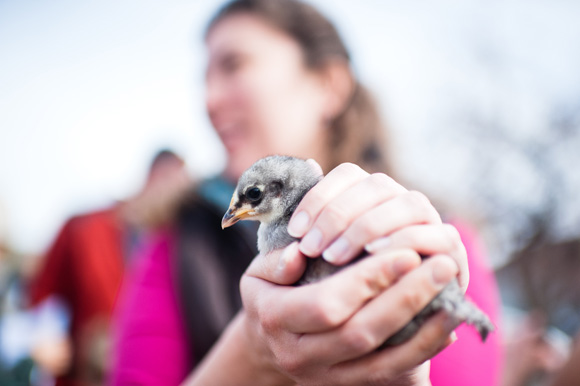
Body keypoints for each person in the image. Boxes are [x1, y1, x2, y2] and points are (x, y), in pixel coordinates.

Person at [111, 1, 502, 385]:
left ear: (328, 85)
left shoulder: (435, 234)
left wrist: (400, 370)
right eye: (206, 78)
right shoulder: (180, 241)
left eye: (234, 65)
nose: (209, 101)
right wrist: (251, 353)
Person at [28, 149, 190, 386]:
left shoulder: (183, 246)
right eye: (166, 180)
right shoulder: (84, 229)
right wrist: (53, 340)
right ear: (151, 177)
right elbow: (41, 298)